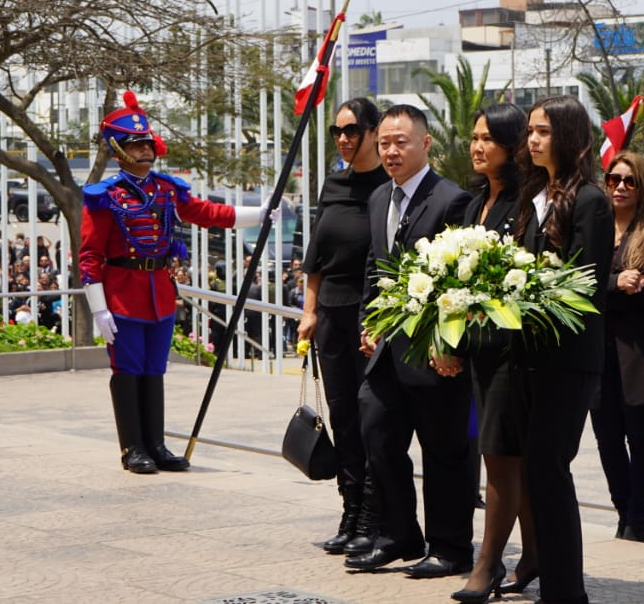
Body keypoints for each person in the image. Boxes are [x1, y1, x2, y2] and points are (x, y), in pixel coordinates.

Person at [80, 91, 273, 475]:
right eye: (136, 146)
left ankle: (156, 443)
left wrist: (260, 214)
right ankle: (132, 447)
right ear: (119, 151)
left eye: (147, 144)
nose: (145, 152)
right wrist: (99, 308)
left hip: (159, 294)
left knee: (155, 369)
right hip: (122, 295)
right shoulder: (105, 197)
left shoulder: (166, 190)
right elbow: (89, 258)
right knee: (129, 370)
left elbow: (207, 213)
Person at [346, 104, 473, 579]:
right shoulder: (379, 198)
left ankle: (451, 546)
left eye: (401, 141)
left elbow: (461, 282)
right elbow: (374, 269)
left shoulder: (451, 200)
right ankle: (398, 535)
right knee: (376, 434)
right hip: (385, 350)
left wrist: (450, 344)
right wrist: (367, 320)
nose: (391, 151)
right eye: (384, 143)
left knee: (443, 452)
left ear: (426, 144)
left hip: (433, 352)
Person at [510, 94, 614, 604]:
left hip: (568, 361)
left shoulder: (591, 200)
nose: (532, 139)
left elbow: (584, 283)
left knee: (549, 469)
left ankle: (566, 592)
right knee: (538, 472)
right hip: (532, 355)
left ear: (570, 137)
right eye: (530, 130)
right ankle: (557, 585)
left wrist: (523, 288)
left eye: (544, 131)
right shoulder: (538, 197)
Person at [295, 98, 388, 555]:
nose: (344, 140)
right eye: (337, 132)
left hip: (371, 317)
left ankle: (373, 514)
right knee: (343, 418)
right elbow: (316, 256)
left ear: (374, 131)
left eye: (352, 131)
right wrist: (309, 311)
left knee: (372, 419)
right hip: (331, 313)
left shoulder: (389, 186)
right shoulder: (333, 183)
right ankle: (350, 510)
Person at [451, 102, 533, 603]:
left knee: (501, 458)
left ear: (512, 145)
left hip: (512, 349)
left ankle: (488, 565)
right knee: (498, 456)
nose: (478, 147)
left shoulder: (526, 203)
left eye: (488, 138)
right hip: (477, 350)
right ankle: (534, 553)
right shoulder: (472, 202)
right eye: (474, 138)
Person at [590, 152, 644, 544]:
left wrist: (637, 287)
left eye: (629, 181)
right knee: (606, 438)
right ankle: (623, 509)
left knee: (640, 436)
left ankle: (637, 516)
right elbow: (580, 283)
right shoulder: (596, 227)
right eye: (613, 179)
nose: (620, 187)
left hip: (638, 353)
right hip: (596, 351)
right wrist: (616, 284)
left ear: (642, 186)